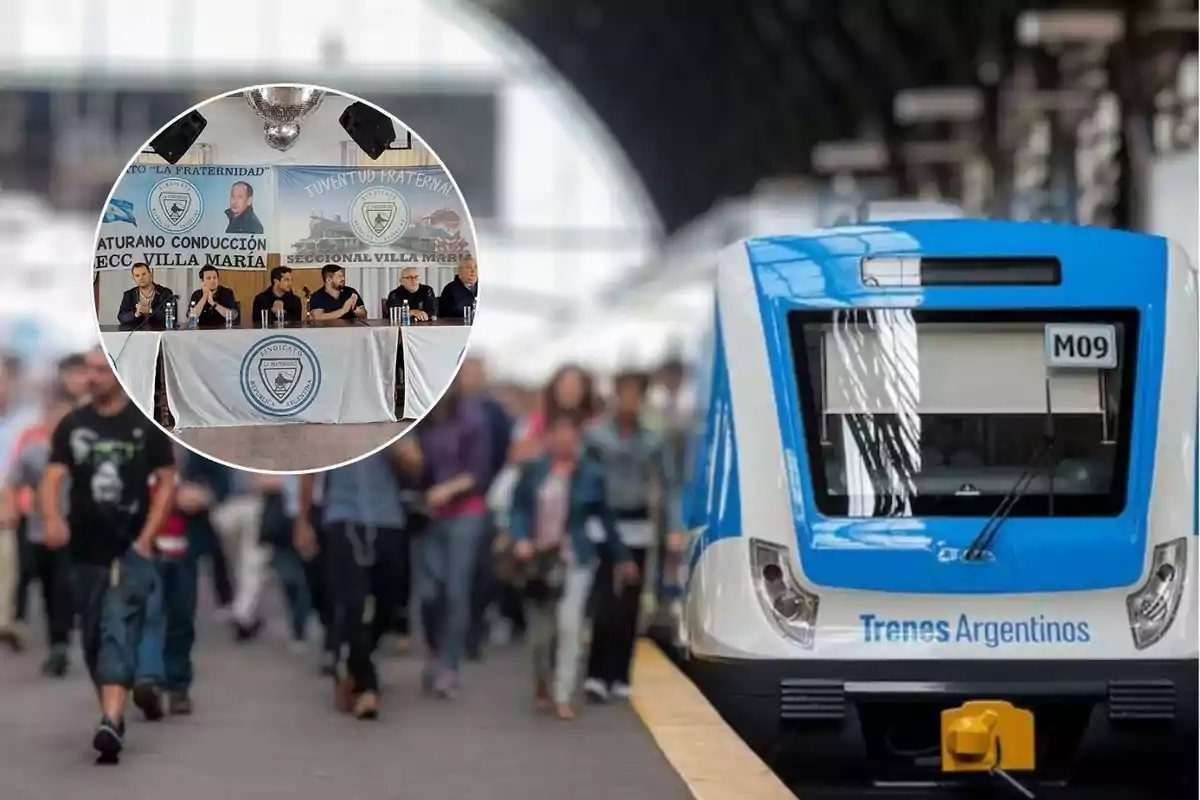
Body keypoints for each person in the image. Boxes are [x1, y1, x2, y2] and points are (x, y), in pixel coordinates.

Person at [39, 348, 176, 762]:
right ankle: (110, 712)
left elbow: (167, 481)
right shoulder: (73, 424)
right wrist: (51, 518)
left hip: (130, 549)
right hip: (84, 550)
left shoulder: (144, 426)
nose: (92, 378)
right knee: (95, 637)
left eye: (101, 370)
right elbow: (53, 476)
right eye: (89, 371)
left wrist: (148, 536)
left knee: (118, 625)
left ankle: (112, 721)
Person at [508, 410, 639, 720]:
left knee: (570, 625)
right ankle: (542, 681)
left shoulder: (591, 474)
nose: (565, 441)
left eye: (571, 435)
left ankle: (562, 694)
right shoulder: (534, 470)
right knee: (541, 637)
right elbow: (517, 509)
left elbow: (605, 519)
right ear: (549, 437)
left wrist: (622, 558)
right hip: (539, 561)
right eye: (559, 434)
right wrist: (521, 539)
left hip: (576, 558)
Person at [582, 370, 685, 703]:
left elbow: (668, 485)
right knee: (603, 602)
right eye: (623, 393)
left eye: (635, 394)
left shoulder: (655, 438)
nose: (629, 401)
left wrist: (673, 528)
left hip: (638, 523)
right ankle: (596, 673)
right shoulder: (595, 435)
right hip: (603, 521)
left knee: (630, 602)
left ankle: (620, 674)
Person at [296, 446, 412, 719]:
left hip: (388, 518)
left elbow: (415, 466)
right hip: (343, 516)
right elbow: (308, 468)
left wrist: (398, 448)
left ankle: (350, 660)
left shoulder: (398, 414)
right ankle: (366, 686)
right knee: (352, 602)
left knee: (389, 604)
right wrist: (303, 521)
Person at [413, 384, 491, 698]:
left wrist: (448, 490)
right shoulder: (420, 421)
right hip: (429, 515)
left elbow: (479, 471)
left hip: (465, 513)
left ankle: (449, 666)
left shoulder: (473, 420)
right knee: (429, 592)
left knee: (456, 592)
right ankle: (434, 650)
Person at [0, 388, 74, 672]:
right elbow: (12, 482)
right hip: (39, 532)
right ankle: (56, 641)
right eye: (54, 416)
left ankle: (62, 644)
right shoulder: (33, 452)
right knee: (47, 589)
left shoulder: (80, 452)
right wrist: (11, 507)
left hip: (74, 533)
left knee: (66, 587)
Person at [116, 263, 172, 327]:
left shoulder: (165, 293)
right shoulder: (129, 294)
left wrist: (150, 311)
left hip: (159, 334)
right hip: (136, 334)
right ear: (133, 279)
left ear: (150, 274)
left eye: (143, 274)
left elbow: (171, 317)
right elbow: (121, 317)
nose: (141, 278)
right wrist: (136, 314)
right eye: (137, 276)